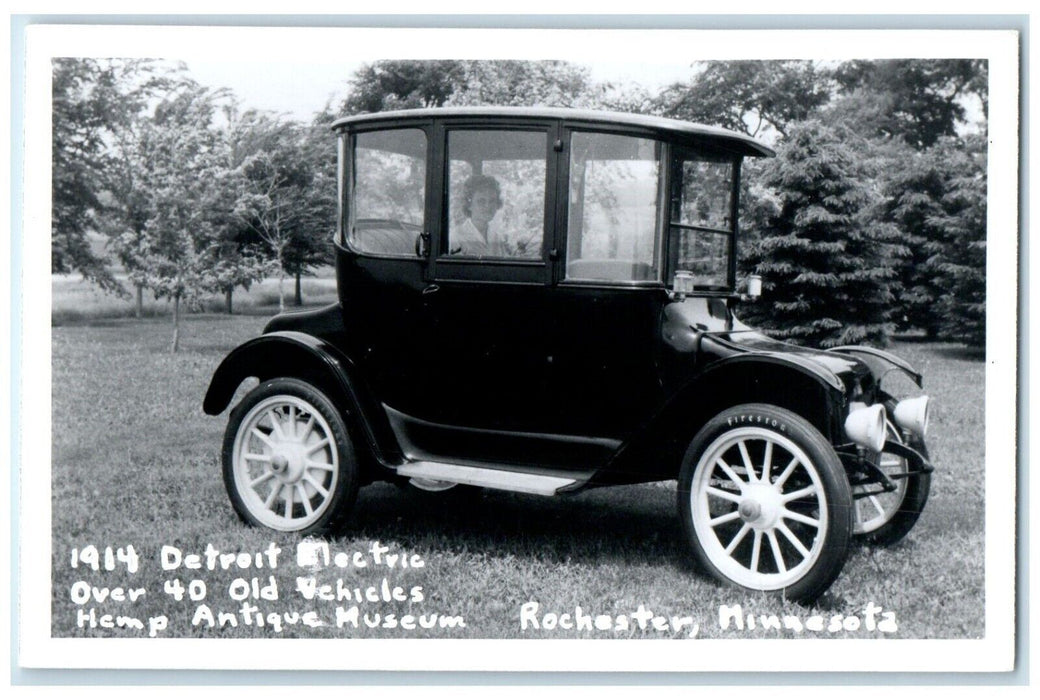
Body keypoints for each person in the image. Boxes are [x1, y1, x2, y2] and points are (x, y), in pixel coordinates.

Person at [450, 174, 505, 256]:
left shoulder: (497, 237)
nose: (488, 206)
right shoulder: (456, 237)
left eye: (492, 201)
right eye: (481, 201)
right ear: (469, 205)